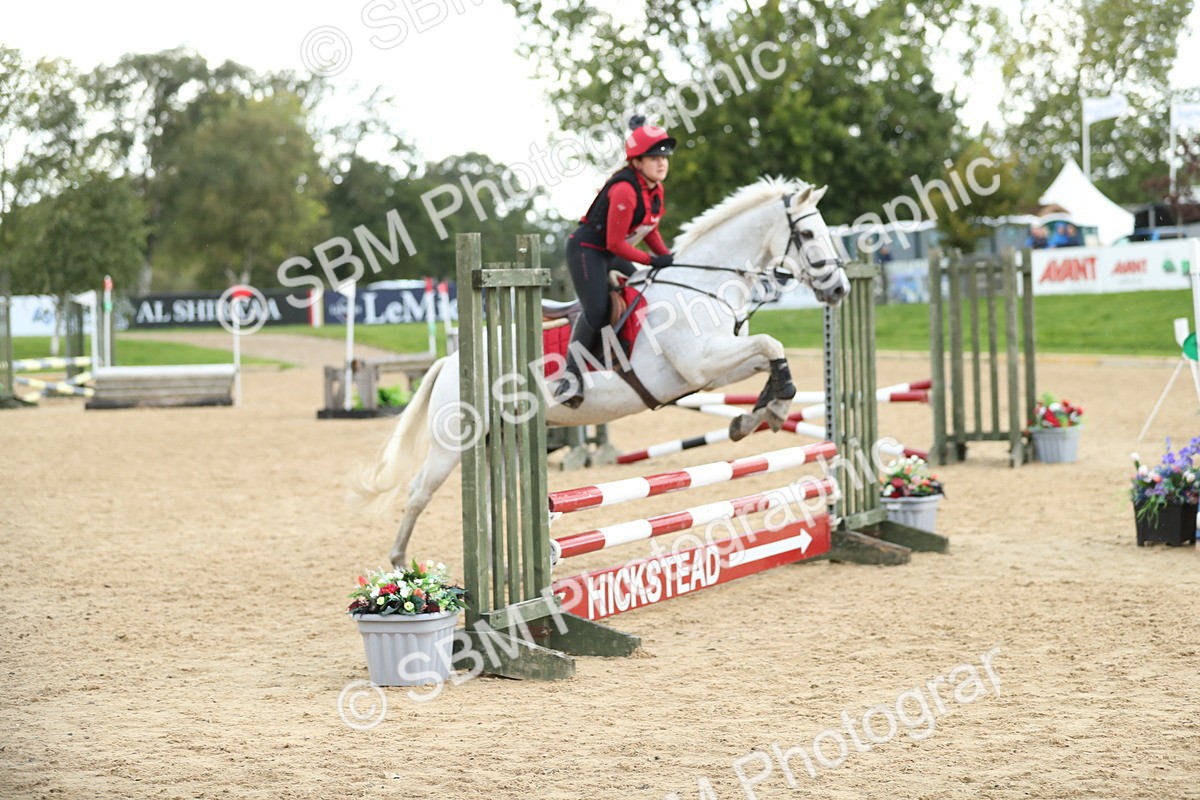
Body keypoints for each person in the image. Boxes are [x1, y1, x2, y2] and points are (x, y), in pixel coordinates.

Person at [552, 115, 676, 408]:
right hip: (588, 251)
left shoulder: (655, 189)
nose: (662, 163)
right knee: (596, 310)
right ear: (637, 162)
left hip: (612, 253)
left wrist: (667, 257)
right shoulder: (625, 189)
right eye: (654, 158)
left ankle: (623, 351)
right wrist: (651, 260)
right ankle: (571, 375)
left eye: (665, 157)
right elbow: (615, 244)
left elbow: (649, 229)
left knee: (643, 291)